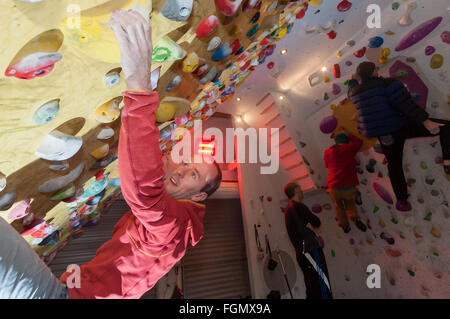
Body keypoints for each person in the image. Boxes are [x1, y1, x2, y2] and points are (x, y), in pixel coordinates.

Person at [0, 9, 222, 299]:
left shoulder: (177, 226)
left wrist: (139, 87)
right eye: (187, 163)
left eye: (193, 173)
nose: (181, 169)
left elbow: (145, 193)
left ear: (199, 196)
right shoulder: (171, 220)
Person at [348, 61, 450, 212]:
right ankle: (448, 161)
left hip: (385, 134)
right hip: (401, 126)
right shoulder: (388, 83)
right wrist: (425, 120)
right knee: (446, 126)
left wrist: (352, 80)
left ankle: (402, 198)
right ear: (373, 72)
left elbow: (349, 90)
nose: (378, 70)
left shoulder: (354, 93)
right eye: (376, 68)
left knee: (394, 165)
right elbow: (406, 104)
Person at [283, 182, 333, 299]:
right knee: (321, 284)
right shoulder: (298, 206)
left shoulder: (288, 210)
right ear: (295, 190)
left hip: (301, 254)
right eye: (300, 188)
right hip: (311, 250)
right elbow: (316, 221)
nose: (302, 191)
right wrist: (312, 227)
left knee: (312, 286)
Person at [324, 132, 367, 233]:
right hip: (347, 186)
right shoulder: (348, 148)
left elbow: (327, 165)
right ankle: (355, 218)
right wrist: (349, 135)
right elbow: (359, 142)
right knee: (350, 204)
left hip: (333, 187)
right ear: (346, 142)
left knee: (338, 207)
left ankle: (345, 226)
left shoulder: (327, 152)